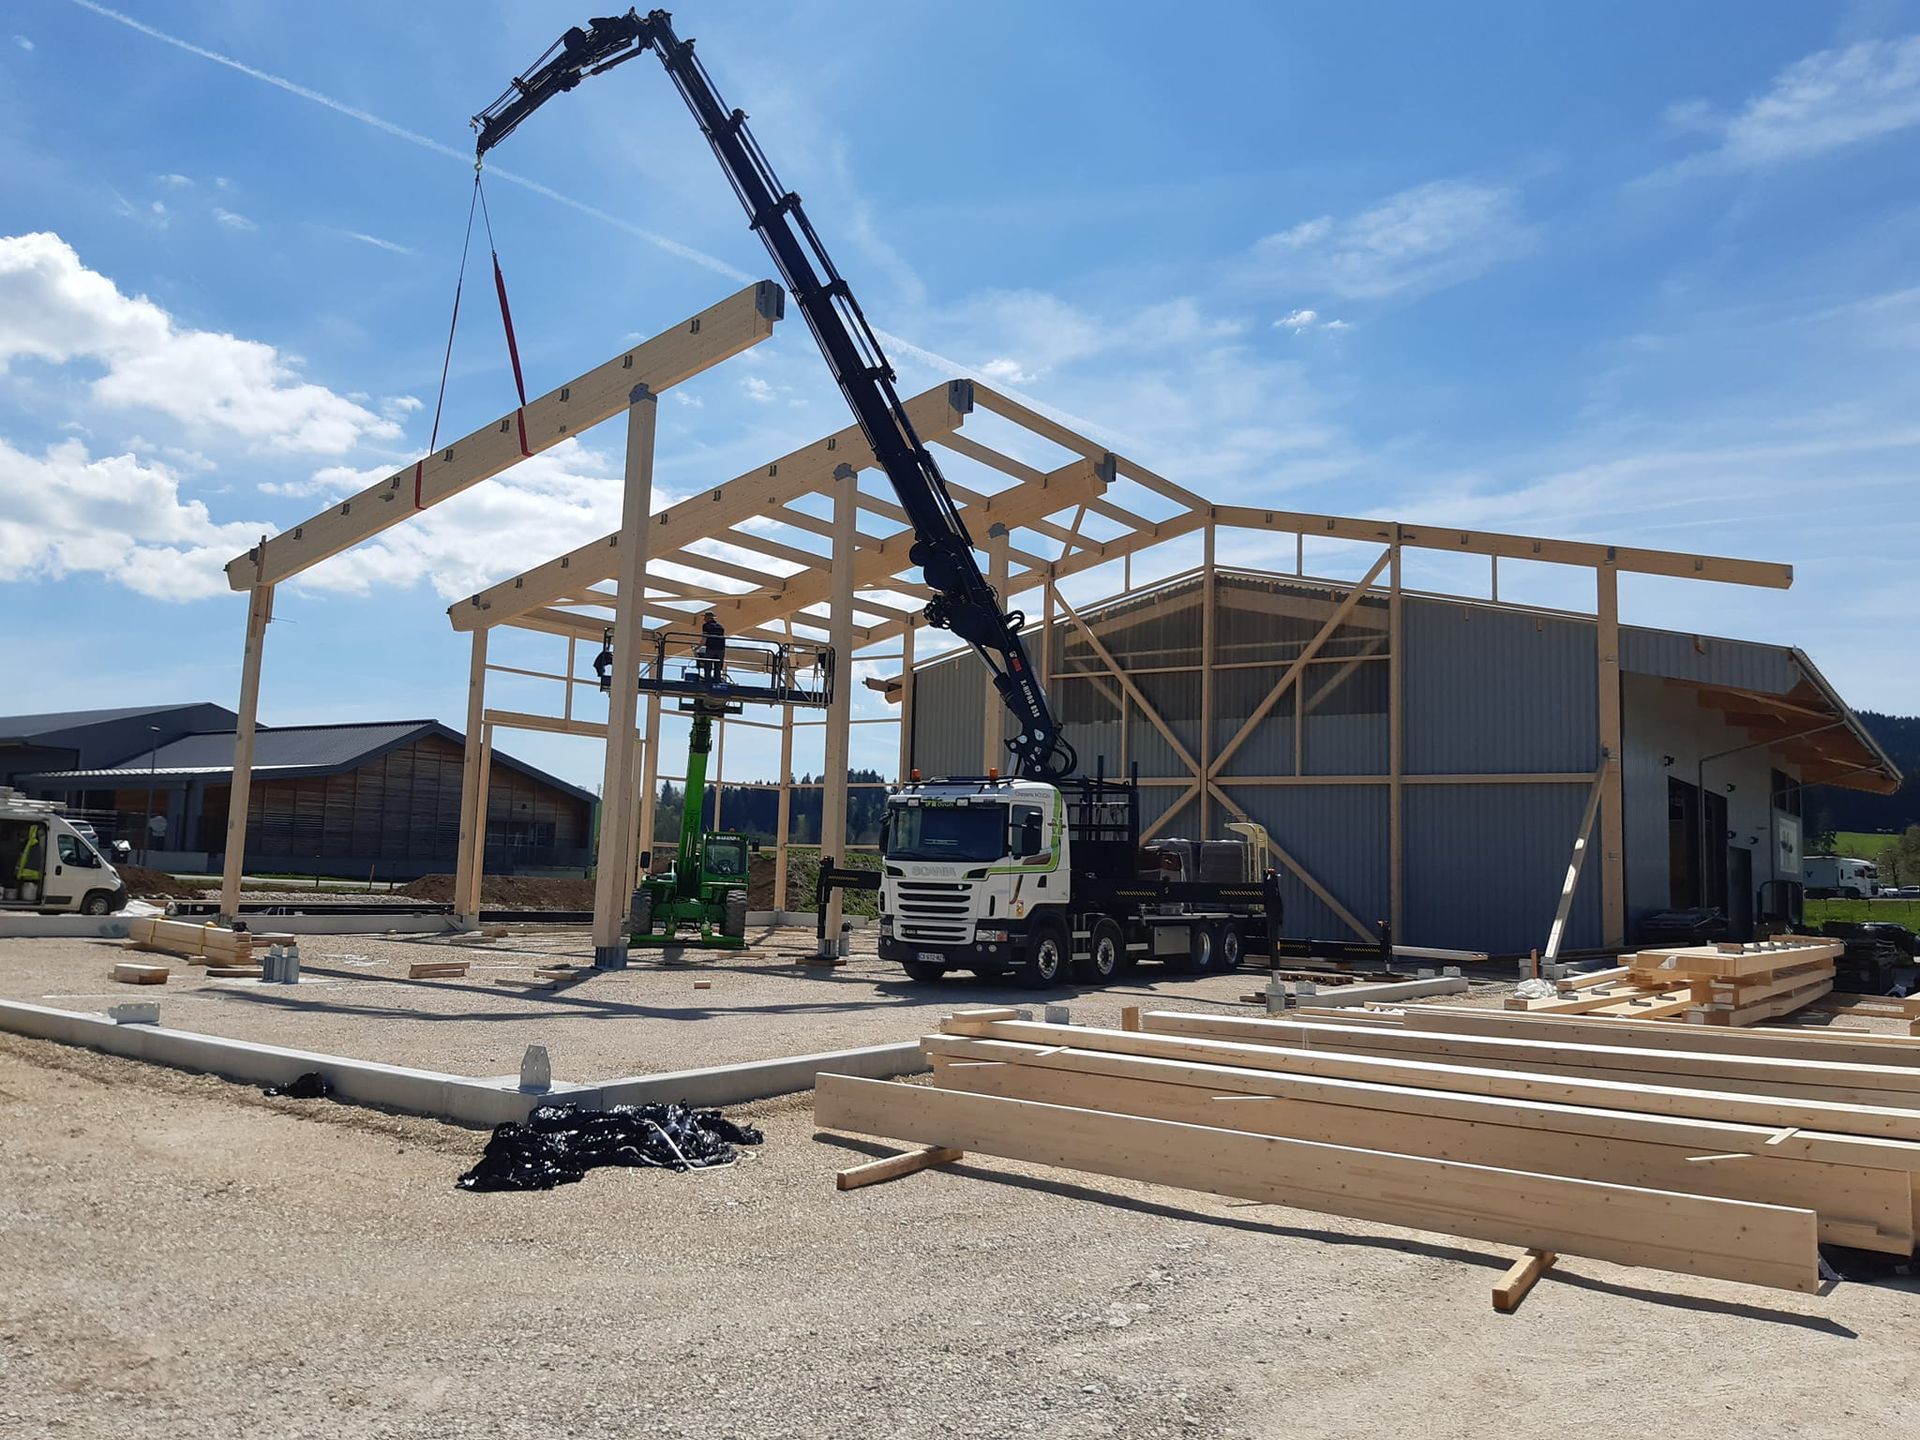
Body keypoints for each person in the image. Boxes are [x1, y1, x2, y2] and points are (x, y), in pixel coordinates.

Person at [700, 611, 726, 680]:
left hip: (711, 648)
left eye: (705, 617)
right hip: (721, 649)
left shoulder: (706, 626)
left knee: (708, 666)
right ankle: (717, 680)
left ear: (708, 618)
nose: (704, 619)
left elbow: (704, 638)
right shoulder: (720, 627)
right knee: (718, 667)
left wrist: (698, 647)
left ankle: (707, 680)